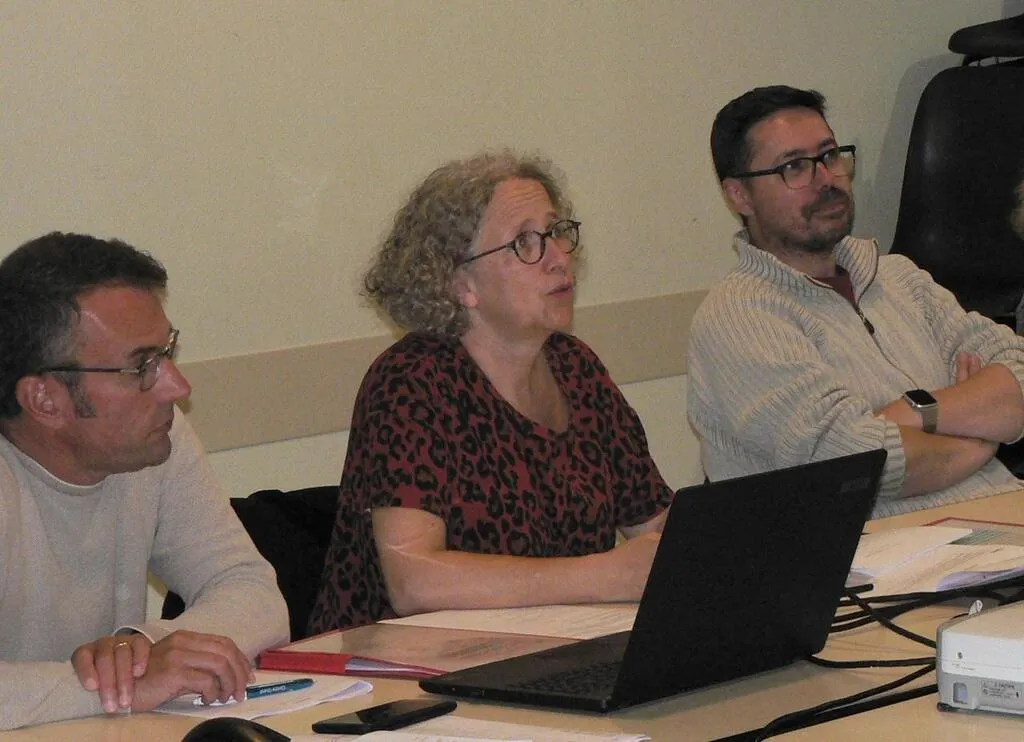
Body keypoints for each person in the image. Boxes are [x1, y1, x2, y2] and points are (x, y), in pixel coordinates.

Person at [308, 152, 674, 631]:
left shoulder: (576, 368)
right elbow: (414, 582)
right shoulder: (412, 381)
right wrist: (600, 575)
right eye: (525, 243)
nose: (559, 258)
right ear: (461, 284)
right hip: (403, 665)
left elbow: (656, 524)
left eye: (557, 232)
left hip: (554, 649)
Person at [686, 85, 1024, 519]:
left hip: (1001, 523)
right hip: (882, 554)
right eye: (794, 167)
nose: (826, 179)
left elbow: (1018, 378)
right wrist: (982, 435)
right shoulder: (739, 319)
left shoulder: (900, 278)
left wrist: (916, 413)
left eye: (829, 155)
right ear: (739, 195)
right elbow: (857, 463)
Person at [0, 233, 289, 730]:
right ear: (45, 401)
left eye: (167, 352)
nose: (176, 386)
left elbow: (253, 592)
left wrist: (145, 647)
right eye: (142, 367)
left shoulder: (155, 438)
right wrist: (122, 685)